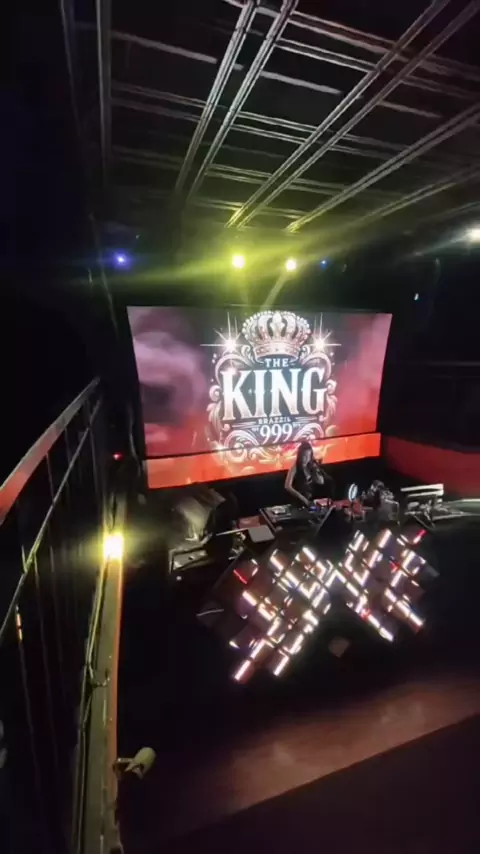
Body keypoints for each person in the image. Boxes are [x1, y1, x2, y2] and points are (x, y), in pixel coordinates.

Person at [285, 441, 333, 508]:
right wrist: (304, 499)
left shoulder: (311, 466)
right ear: (300, 455)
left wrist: (315, 470)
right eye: (303, 456)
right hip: (299, 500)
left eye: (308, 457)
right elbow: (287, 486)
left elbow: (321, 482)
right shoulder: (295, 467)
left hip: (311, 499)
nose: (305, 459)